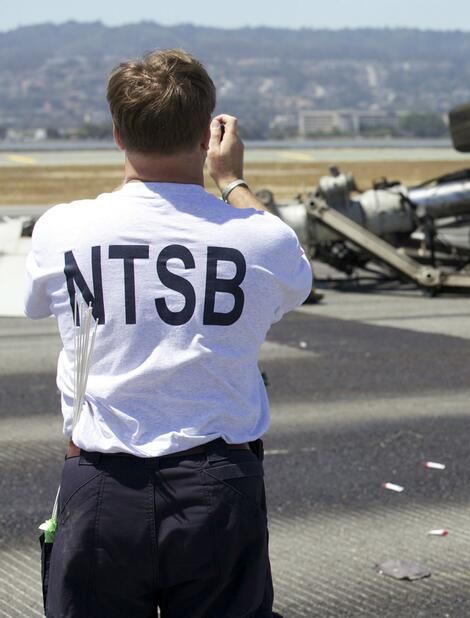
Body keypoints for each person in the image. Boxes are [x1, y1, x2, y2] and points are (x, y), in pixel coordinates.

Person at [23, 49, 312, 617]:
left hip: (99, 480)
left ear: (117, 134)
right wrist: (232, 182)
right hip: (218, 485)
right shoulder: (259, 240)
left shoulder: (63, 228)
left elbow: (37, 303)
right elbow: (293, 270)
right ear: (209, 137)